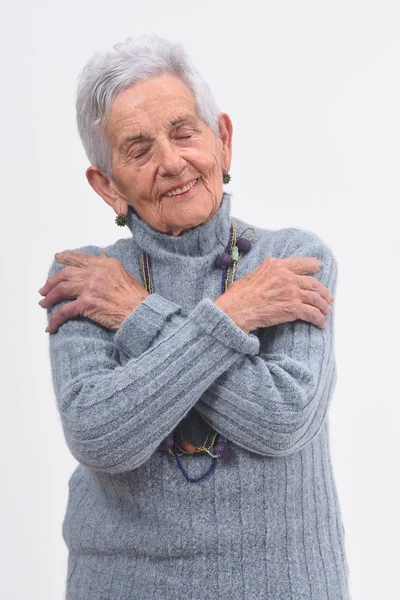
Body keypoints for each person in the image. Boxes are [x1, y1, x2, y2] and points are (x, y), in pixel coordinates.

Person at [38, 33, 351, 600]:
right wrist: (237, 312)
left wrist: (136, 312)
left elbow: (282, 420)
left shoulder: (291, 263)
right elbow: (101, 436)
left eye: (184, 133)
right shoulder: (86, 281)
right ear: (107, 186)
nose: (172, 162)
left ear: (223, 141)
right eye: (138, 150)